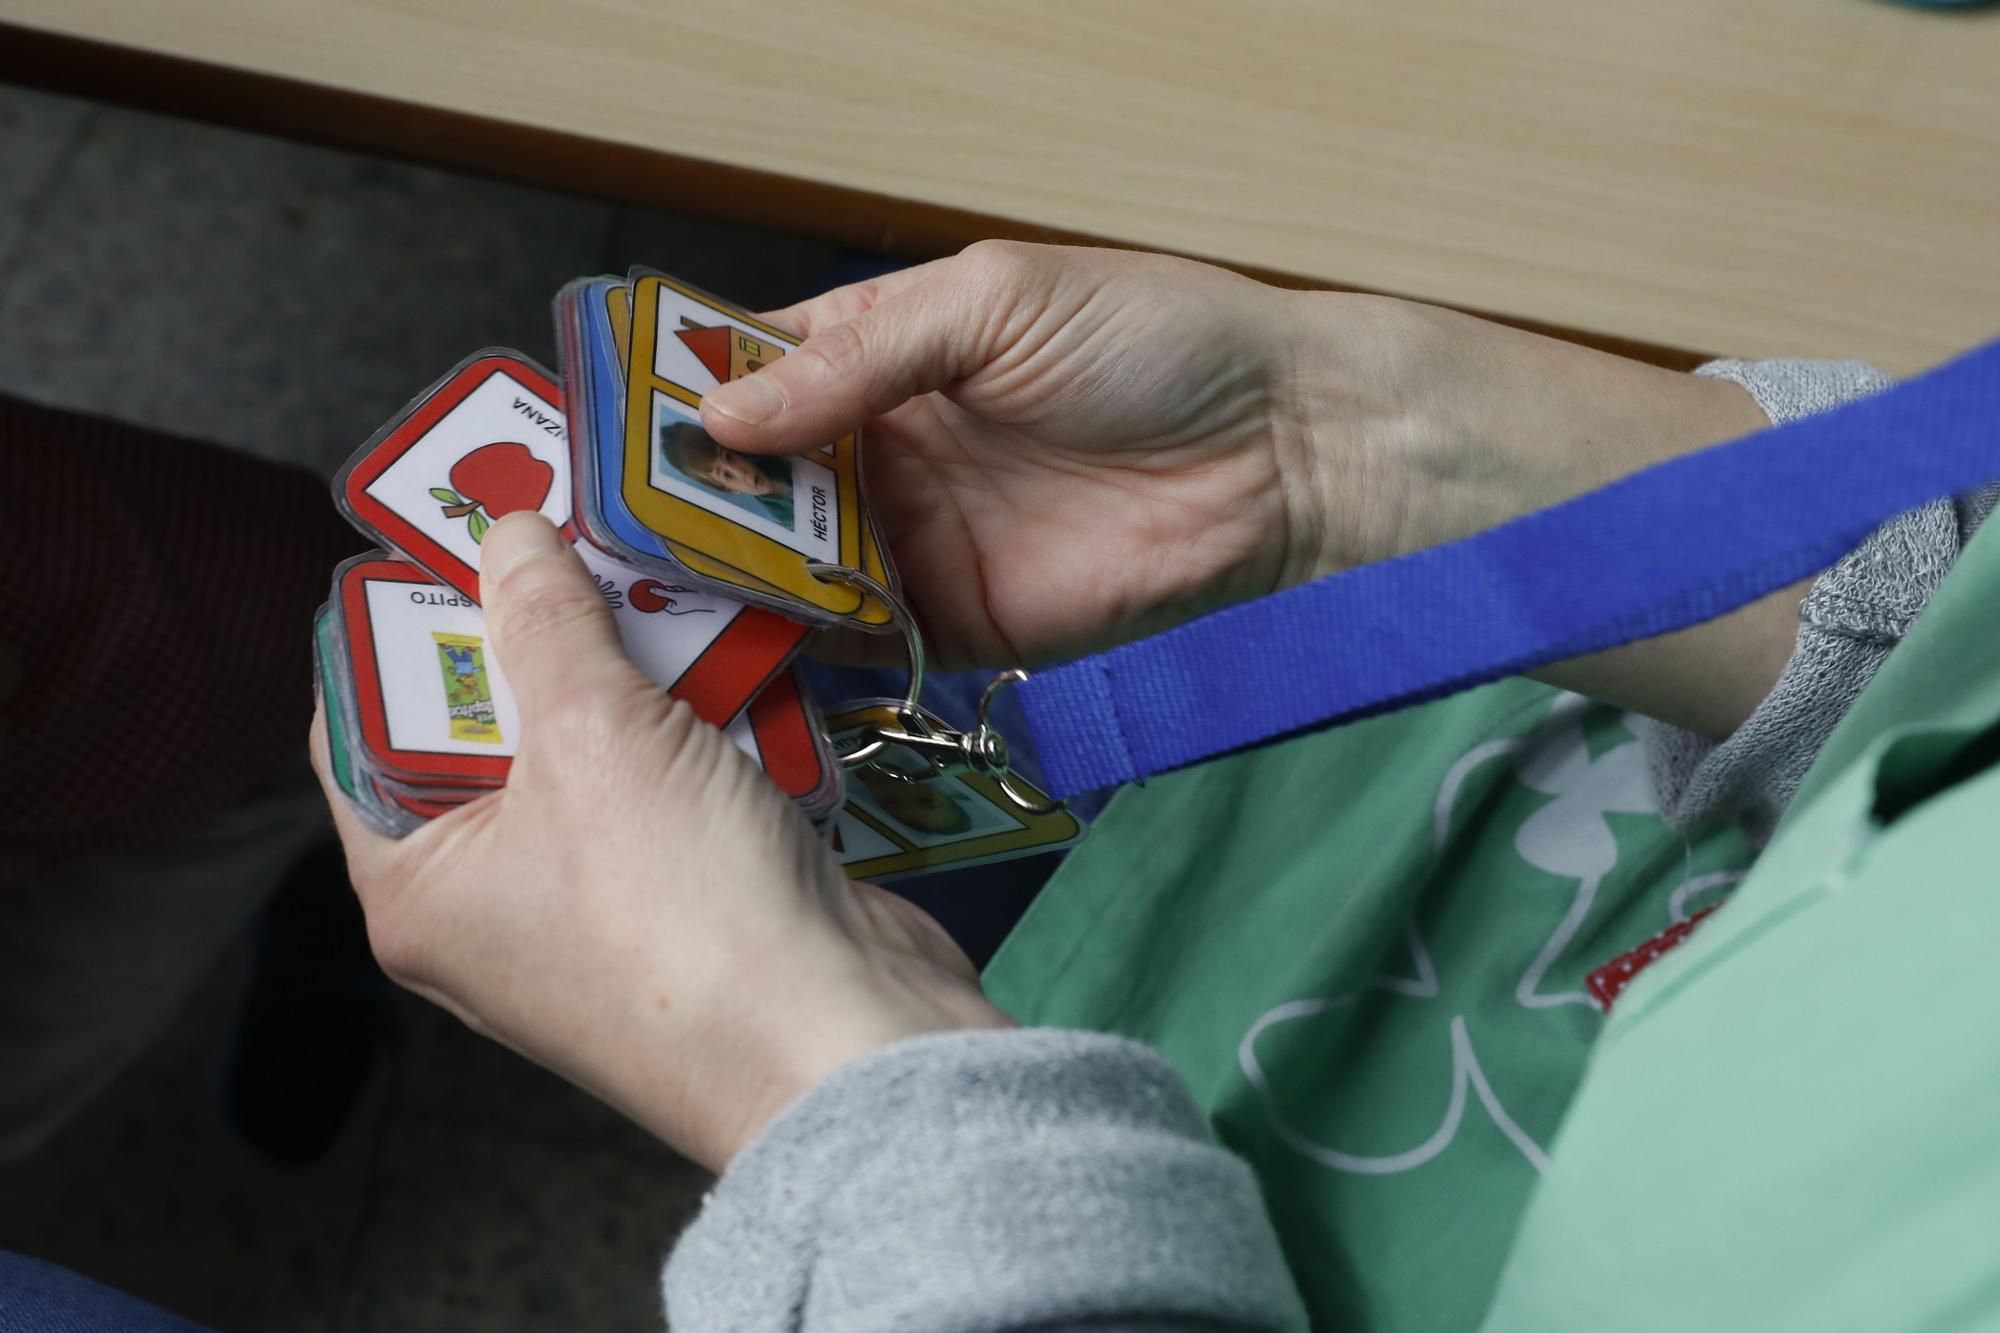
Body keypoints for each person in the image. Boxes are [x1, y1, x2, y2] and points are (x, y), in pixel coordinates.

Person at [311, 242, 2000, 1331]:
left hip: (1088, 1169)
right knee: (846, 694)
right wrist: (1328, 447)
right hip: (1455, 776)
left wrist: (810, 1071)